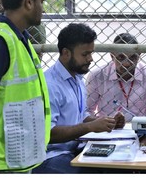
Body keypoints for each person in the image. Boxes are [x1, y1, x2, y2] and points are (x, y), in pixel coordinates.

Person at [32, 23, 125, 174]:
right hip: (51, 157)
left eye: (91, 53)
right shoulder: (50, 85)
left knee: (118, 167)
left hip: (74, 149)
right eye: (85, 54)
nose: (91, 58)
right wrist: (90, 127)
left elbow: (80, 117)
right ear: (66, 53)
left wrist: (106, 122)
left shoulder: (77, 78)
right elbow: (48, 134)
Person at [0, 0, 51, 173]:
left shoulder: (20, 38)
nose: (43, 8)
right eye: (41, 1)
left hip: (17, 159)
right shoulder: (1, 42)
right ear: (28, 2)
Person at [86, 33, 146, 121]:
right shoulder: (97, 75)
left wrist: (140, 124)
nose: (126, 64)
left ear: (139, 55)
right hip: (106, 129)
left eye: (133, 57)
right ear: (112, 56)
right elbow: (87, 110)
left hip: (140, 130)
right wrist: (103, 123)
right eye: (121, 57)